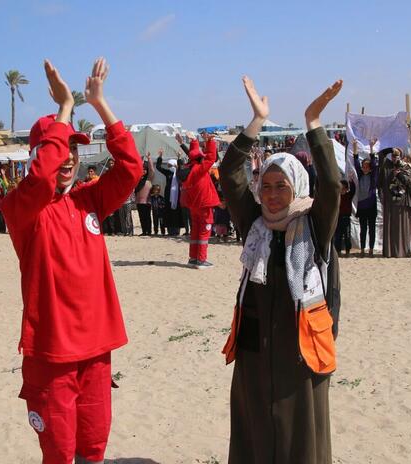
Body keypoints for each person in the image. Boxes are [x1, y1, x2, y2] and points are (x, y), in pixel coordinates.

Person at [2, 57, 141, 464]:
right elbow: (42, 178)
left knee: (93, 448)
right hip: (51, 356)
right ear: (40, 153)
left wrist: (99, 104)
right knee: (60, 453)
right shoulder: (22, 209)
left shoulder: (90, 198)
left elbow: (131, 169)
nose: (67, 159)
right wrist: (64, 110)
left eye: (73, 151)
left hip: (97, 349)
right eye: (60, 149)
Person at [220, 76, 342, 464]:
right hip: (255, 357)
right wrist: (257, 122)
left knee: (299, 444)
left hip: (300, 356)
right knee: (254, 439)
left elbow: (333, 186)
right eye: (267, 184)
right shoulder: (254, 224)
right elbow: (229, 174)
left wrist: (314, 121)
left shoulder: (314, 224)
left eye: (281, 186)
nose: (271, 194)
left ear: (297, 188)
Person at [181, 132, 220, 268]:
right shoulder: (199, 169)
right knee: (204, 232)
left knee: (195, 231)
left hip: (193, 206)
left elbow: (193, 153)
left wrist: (194, 141)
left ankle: (193, 258)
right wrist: (210, 142)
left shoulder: (188, 169)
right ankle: (201, 260)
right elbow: (211, 157)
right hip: (204, 205)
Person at [377, 146, 411, 258]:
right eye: (393, 155)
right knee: (390, 227)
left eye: (397, 155)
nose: (394, 158)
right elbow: (380, 155)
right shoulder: (387, 166)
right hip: (389, 201)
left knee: (401, 227)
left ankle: (402, 251)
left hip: (402, 202)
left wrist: (399, 174)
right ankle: (390, 252)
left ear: (401, 156)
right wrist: (391, 149)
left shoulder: (406, 167)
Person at [353, 139, 379, 256]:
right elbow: (355, 162)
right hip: (362, 205)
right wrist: (354, 147)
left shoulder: (373, 177)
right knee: (363, 229)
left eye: (367, 166)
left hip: (371, 205)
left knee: (372, 229)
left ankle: (371, 249)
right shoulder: (360, 175)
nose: (365, 168)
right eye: (363, 166)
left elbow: (374, 162)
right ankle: (363, 249)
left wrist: (371, 147)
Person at [156, 154, 183, 235]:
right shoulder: (168, 173)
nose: (170, 166)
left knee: (176, 213)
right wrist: (160, 157)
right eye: (169, 165)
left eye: (171, 165)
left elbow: (181, 166)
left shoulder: (179, 174)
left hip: (177, 196)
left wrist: (179, 158)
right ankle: (170, 230)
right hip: (168, 197)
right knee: (168, 212)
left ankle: (177, 230)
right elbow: (158, 167)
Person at [135, 152, 155, 235]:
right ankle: (144, 231)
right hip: (139, 202)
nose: (143, 170)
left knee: (147, 217)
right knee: (141, 217)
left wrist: (149, 158)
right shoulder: (138, 179)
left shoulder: (149, 178)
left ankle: (149, 231)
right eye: (142, 169)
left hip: (147, 201)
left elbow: (152, 170)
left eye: (145, 169)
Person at [334, 179, 355, 256]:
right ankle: (338, 251)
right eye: (340, 188)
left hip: (346, 218)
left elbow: (353, 190)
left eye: (343, 188)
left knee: (347, 235)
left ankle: (347, 251)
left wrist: (351, 182)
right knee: (338, 235)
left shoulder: (348, 195)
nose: (342, 190)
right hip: (338, 218)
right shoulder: (337, 196)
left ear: (346, 189)